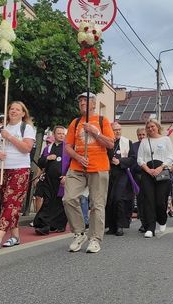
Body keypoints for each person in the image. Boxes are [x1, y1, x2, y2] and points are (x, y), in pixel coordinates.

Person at [63, 92, 114, 253]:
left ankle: (95, 239)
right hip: (77, 167)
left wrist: (95, 132)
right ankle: (79, 233)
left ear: (93, 104)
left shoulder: (102, 121)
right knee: (68, 198)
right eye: (80, 101)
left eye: (86, 100)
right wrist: (77, 156)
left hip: (99, 167)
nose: (82, 103)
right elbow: (67, 147)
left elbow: (110, 143)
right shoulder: (75, 122)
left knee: (97, 204)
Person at [0, 101, 36, 251]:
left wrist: (10, 137)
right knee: (7, 204)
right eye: (11, 109)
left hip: (19, 169)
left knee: (11, 203)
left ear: (23, 113)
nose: (13, 111)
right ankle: (15, 236)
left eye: (17, 109)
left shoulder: (27, 128)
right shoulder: (0, 128)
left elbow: (26, 148)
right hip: (1, 169)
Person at [137, 118, 173, 238]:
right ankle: (150, 228)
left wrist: (160, 167)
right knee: (149, 201)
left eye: (152, 126)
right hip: (147, 173)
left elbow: (171, 157)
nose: (150, 129)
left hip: (162, 172)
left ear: (158, 127)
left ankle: (162, 220)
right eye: (148, 127)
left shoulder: (166, 140)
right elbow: (140, 159)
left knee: (160, 201)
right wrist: (148, 170)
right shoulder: (144, 141)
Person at [33, 126, 70, 235]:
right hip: (49, 180)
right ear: (54, 135)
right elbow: (40, 162)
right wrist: (47, 158)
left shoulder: (68, 148)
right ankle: (44, 225)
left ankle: (58, 225)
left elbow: (72, 163)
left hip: (62, 180)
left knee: (59, 203)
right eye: (59, 133)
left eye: (63, 133)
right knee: (48, 202)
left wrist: (67, 176)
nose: (61, 135)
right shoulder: (48, 148)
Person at [105, 122, 136, 236]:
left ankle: (120, 226)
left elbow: (133, 159)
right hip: (108, 173)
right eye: (115, 130)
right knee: (109, 200)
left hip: (122, 173)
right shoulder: (106, 142)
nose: (117, 132)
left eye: (119, 129)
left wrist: (120, 161)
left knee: (119, 199)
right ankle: (111, 226)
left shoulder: (127, 142)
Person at [132, 127, 147, 232]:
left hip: (149, 175)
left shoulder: (150, 144)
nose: (141, 137)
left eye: (143, 134)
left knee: (149, 201)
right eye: (139, 135)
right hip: (137, 176)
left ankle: (150, 222)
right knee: (141, 201)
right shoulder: (133, 146)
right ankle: (143, 223)